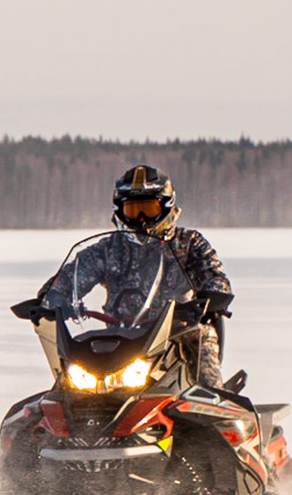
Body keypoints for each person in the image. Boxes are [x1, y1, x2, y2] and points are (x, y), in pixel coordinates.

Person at [14, 164, 234, 387]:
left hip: (177, 334)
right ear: (120, 211)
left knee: (203, 351)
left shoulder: (189, 244)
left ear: (166, 207)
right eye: (133, 210)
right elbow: (75, 273)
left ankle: (217, 408)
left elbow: (214, 276)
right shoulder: (109, 249)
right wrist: (50, 301)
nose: (140, 219)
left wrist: (209, 299)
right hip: (119, 339)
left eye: (148, 210)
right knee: (68, 386)